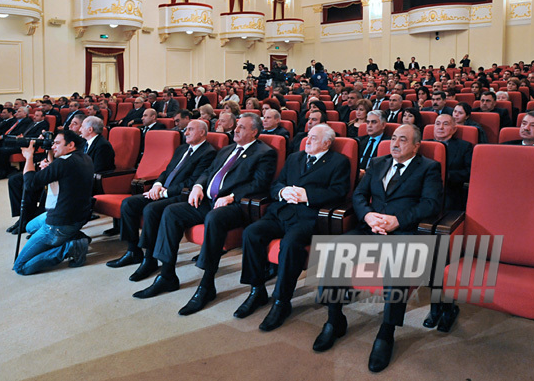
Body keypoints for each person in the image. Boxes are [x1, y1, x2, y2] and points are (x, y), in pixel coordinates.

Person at [313, 124, 444, 373]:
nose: (395, 143)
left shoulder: (428, 167)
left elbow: (430, 204)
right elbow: (359, 196)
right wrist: (369, 216)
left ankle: (387, 331)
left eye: (402, 140)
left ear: (416, 145)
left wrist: (398, 220)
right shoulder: (377, 163)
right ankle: (334, 319)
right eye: (393, 138)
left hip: (403, 232)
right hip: (371, 227)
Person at [133, 114, 277, 313]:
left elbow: (259, 184)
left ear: (254, 132)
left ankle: (207, 284)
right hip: (208, 200)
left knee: (214, 218)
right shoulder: (226, 150)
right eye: (236, 126)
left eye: (242, 128)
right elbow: (208, 172)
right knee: (171, 212)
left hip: (236, 206)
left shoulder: (265, 153)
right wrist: (198, 187)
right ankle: (167, 275)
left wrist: (232, 196)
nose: (235, 130)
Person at [234, 124, 350, 329]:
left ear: (327, 143)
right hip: (281, 212)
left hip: (309, 217)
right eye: (308, 136)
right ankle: (257, 289)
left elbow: (339, 192)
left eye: (314, 138)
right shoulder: (294, 158)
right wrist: (282, 192)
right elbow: (276, 184)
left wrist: (308, 196)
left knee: (290, 244)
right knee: (252, 233)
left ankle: (281, 301)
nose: (308, 140)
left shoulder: (339, 162)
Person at [106, 120, 217, 281]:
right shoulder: (182, 149)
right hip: (163, 190)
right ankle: (133, 251)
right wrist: (157, 185)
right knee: (129, 204)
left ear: (202, 133)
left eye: (190, 130)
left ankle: (149, 258)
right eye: (186, 130)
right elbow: (167, 171)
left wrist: (165, 192)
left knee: (151, 209)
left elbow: (192, 182)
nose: (185, 132)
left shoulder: (208, 152)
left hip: (180, 195)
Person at [12, 130, 94, 275]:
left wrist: (29, 157)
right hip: (77, 217)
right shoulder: (84, 158)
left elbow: (30, 183)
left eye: (57, 143)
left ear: (71, 145)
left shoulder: (62, 164)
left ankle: (69, 247)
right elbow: (62, 175)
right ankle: (75, 235)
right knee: (30, 226)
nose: (53, 146)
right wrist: (50, 164)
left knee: (21, 267)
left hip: (58, 224)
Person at [431, 114, 472, 210]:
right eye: (437, 124)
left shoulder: (464, 147)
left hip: (449, 191)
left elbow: (469, 172)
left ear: (454, 129)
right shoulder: (424, 144)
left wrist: (447, 175)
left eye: (445, 124)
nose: (440, 127)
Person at [0, 109, 49, 180]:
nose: (34, 117)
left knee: (3, 151)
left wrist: (24, 137)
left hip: (29, 144)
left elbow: (37, 136)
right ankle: (8, 169)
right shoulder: (33, 123)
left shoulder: (43, 124)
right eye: (35, 115)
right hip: (22, 141)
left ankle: (5, 171)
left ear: (43, 117)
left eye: (37, 116)